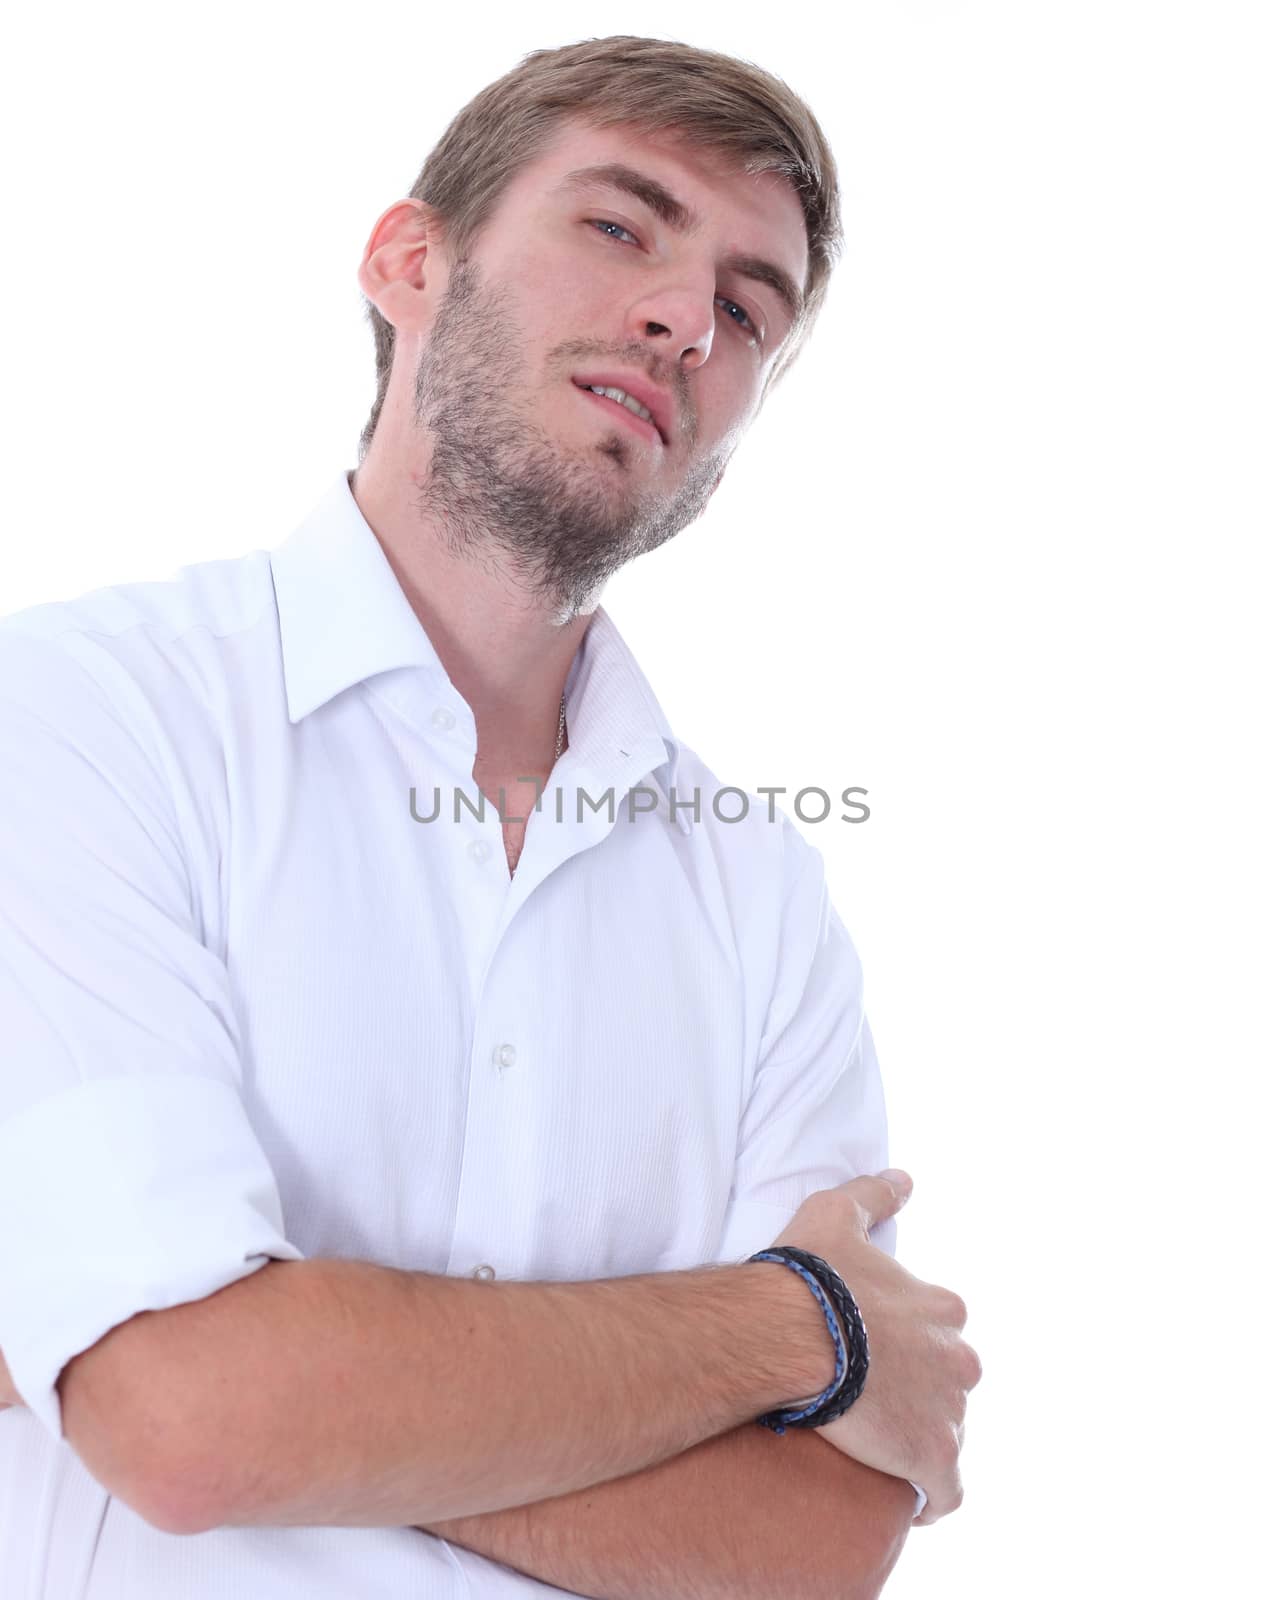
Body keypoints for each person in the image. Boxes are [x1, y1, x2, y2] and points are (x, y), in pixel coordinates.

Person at [0, 34, 980, 1600]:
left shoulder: (760, 894)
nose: (682, 319)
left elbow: (815, 1545)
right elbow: (186, 1422)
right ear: (409, 264)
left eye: (747, 307)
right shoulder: (78, 717)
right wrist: (803, 1325)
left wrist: (259, 1383)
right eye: (619, 226)